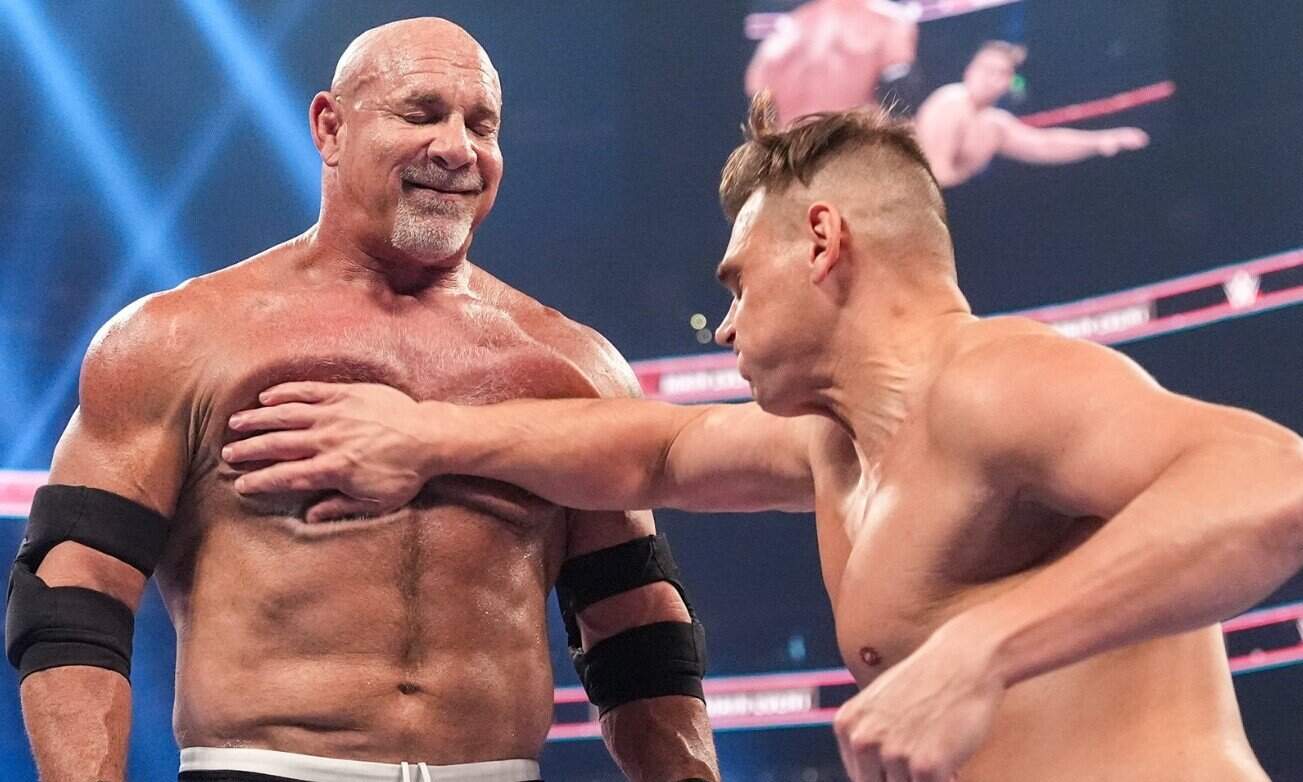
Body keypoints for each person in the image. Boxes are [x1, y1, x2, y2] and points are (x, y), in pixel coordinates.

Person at [224, 93, 1303, 782]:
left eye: (738, 282)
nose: (728, 324)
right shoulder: (837, 448)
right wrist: (424, 435)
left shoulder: (995, 380)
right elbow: (652, 452)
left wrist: (985, 648)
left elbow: (1275, 480)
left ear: (822, 240)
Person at [5, 18, 719, 782]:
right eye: (421, 113)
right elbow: (73, 590)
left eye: (481, 125)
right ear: (330, 128)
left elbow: (637, 630)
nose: (457, 148)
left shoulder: (572, 367)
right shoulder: (180, 339)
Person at [915, 40, 1150, 187]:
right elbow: (935, 176)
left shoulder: (994, 123)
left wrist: (1101, 141)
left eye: (1000, 73)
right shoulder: (951, 103)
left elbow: (1044, 145)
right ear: (969, 71)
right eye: (986, 69)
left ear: (1008, 81)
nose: (990, 78)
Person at [746, 0, 919, 126]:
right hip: (850, 148)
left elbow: (755, 92)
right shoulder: (886, 21)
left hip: (791, 153)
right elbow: (901, 92)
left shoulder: (786, 31)